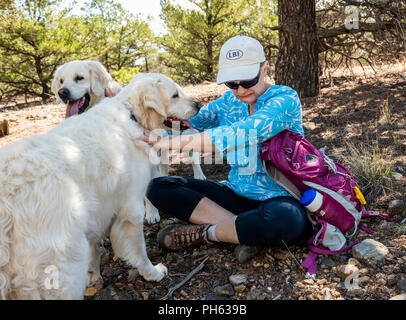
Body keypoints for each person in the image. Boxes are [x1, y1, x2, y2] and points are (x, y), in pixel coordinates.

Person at [139, 35, 310, 261]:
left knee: (286, 220)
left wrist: (169, 143)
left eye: (247, 80)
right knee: (158, 186)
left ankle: (209, 233)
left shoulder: (285, 99)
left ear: (265, 68)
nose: (239, 89)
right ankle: (243, 230)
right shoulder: (227, 103)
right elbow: (188, 122)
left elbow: (244, 132)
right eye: (232, 82)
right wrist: (142, 125)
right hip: (235, 193)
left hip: (281, 196)